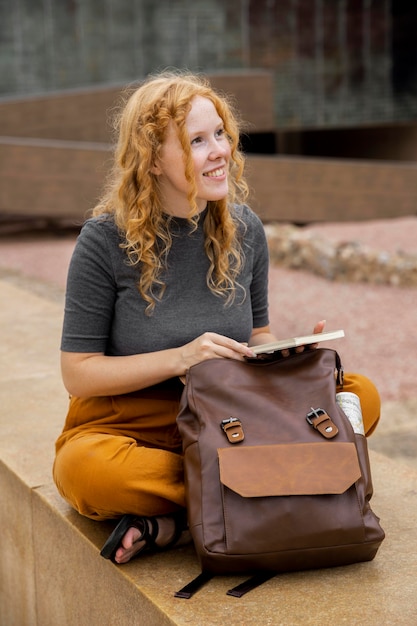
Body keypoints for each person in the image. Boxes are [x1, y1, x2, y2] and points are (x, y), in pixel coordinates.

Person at [52, 70, 380, 565]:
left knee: (361, 397)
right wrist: (180, 359)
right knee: (85, 471)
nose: (220, 150)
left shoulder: (244, 227)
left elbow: (256, 334)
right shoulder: (103, 242)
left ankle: (186, 515)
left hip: (230, 416)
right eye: (196, 141)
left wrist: (286, 357)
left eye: (221, 134)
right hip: (136, 423)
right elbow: (78, 373)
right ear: (153, 159)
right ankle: (272, 492)